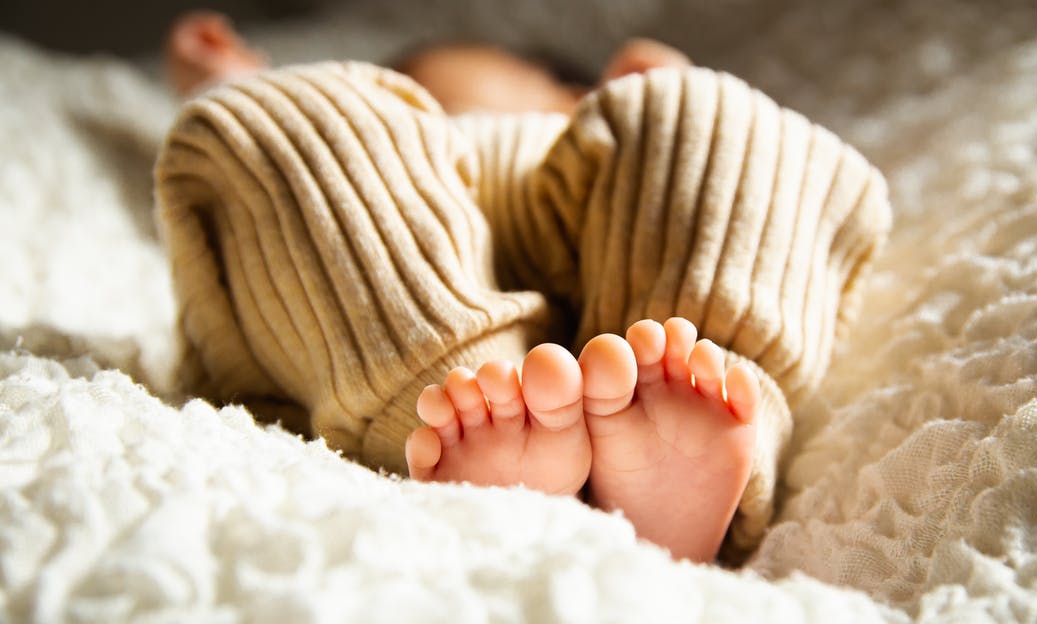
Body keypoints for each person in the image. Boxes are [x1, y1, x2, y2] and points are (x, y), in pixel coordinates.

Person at [155, 11, 892, 564]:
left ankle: (680, 411)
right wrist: (244, 85)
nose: (406, 101)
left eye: (419, 86)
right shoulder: (377, 129)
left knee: (719, 129)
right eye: (397, 92)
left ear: (579, 91)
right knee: (291, 127)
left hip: (602, 243)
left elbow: (687, 158)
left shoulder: (594, 132)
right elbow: (300, 138)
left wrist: (662, 92)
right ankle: (466, 401)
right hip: (384, 277)